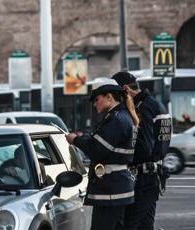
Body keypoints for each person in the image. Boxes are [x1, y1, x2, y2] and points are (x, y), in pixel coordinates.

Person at [66, 78, 139, 230]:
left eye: (97, 99)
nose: (94, 104)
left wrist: (75, 140)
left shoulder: (116, 120)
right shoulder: (122, 117)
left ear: (109, 97)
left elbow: (97, 149)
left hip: (110, 190)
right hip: (117, 187)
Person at [112, 71, 172, 230]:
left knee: (130, 223)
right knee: (145, 224)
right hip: (153, 174)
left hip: (144, 177)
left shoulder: (142, 108)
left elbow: (144, 147)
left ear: (125, 89)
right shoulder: (156, 105)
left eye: (117, 94)